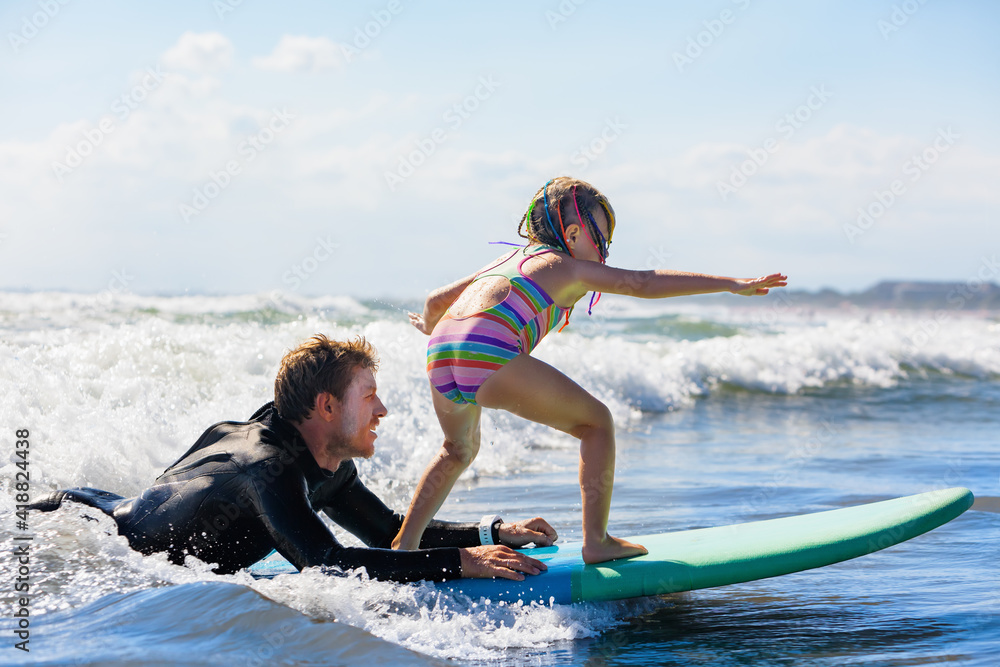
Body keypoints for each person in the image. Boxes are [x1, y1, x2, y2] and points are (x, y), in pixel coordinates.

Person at [392, 176, 787, 564]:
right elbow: (643, 282)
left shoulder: (506, 260)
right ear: (575, 232)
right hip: (488, 352)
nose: (605, 253)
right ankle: (597, 542)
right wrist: (731, 284)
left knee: (456, 449)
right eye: (602, 240)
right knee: (597, 423)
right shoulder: (567, 267)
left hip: (440, 352)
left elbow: (434, 300)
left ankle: (403, 549)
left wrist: (430, 326)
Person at [28, 335, 557, 583]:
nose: (384, 409)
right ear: (326, 407)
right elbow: (326, 567)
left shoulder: (323, 461)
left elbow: (388, 532)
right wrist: (461, 565)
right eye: (369, 395)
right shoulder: (266, 469)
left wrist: (492, 533)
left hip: (127, 509)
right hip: (97, 530)